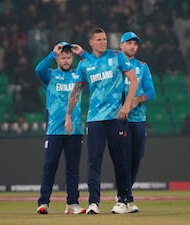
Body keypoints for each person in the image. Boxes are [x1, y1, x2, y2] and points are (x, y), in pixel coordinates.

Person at [65, 28, 138, 214]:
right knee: (93, 161)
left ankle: (123, 200)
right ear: (91, 42)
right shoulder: (84, 64)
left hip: (116, 118)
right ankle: (93, 203)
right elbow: (76, 92)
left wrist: (126, 106)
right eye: (98, 39)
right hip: (95, 119)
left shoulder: (117, 56)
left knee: (119, 160)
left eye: (104, 39)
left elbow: (133, 80)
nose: (103, 42)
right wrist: (68, 115)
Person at [35, 41, 88, 215]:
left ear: (72, 58)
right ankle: (44, 202)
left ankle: (72, 203)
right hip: (54, 129)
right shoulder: (50, 75)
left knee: (72, 167)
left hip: (75, 129)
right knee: (50, 165)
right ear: (57, 59)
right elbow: (38, 70)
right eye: (62, 57)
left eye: (68, 57)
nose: (65, 60)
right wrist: (51, 54)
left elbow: (93, 68)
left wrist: (83, 54)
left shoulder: (78, 74)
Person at [118, 31, 156, 213]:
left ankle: (126, 195)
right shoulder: (115, 65)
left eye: (135, 44)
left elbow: (152, 92)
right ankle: (124, 198)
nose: (132, 46)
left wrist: (137, 100)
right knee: (124, 160)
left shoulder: (142, 67)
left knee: (135, 159)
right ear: (121, 45)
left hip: (139, 119)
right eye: (129, 43)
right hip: (121, 119)